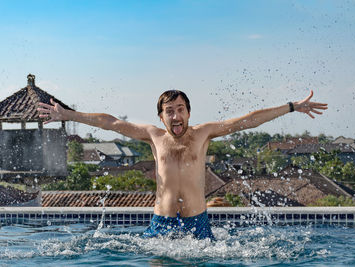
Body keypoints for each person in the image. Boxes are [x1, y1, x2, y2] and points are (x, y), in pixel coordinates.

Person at [37, 90, 327, 240]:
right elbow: (111, 122)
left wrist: (291, 107)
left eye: (180, 110)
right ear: (161, 117)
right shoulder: (153, 136)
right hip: (159, 224)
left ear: (189, 112)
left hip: (197, 224)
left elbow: (248, 119)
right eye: (169, 112)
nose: (176, 117)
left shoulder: (203, 134)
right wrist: (68, 115)